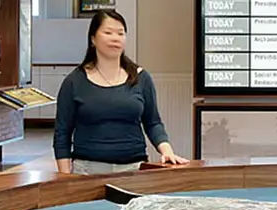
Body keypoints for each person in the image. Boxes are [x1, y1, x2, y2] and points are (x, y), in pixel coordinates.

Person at [53, 10, 188, 174]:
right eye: (108, 32)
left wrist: (166, 151)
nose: (115, 38)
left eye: (120, 33)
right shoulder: (74, 81)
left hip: (134, 167)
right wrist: (65, 178)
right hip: (87, 170)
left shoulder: (141, 78)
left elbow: (153, 123)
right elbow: (62, 134)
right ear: (93, 38)